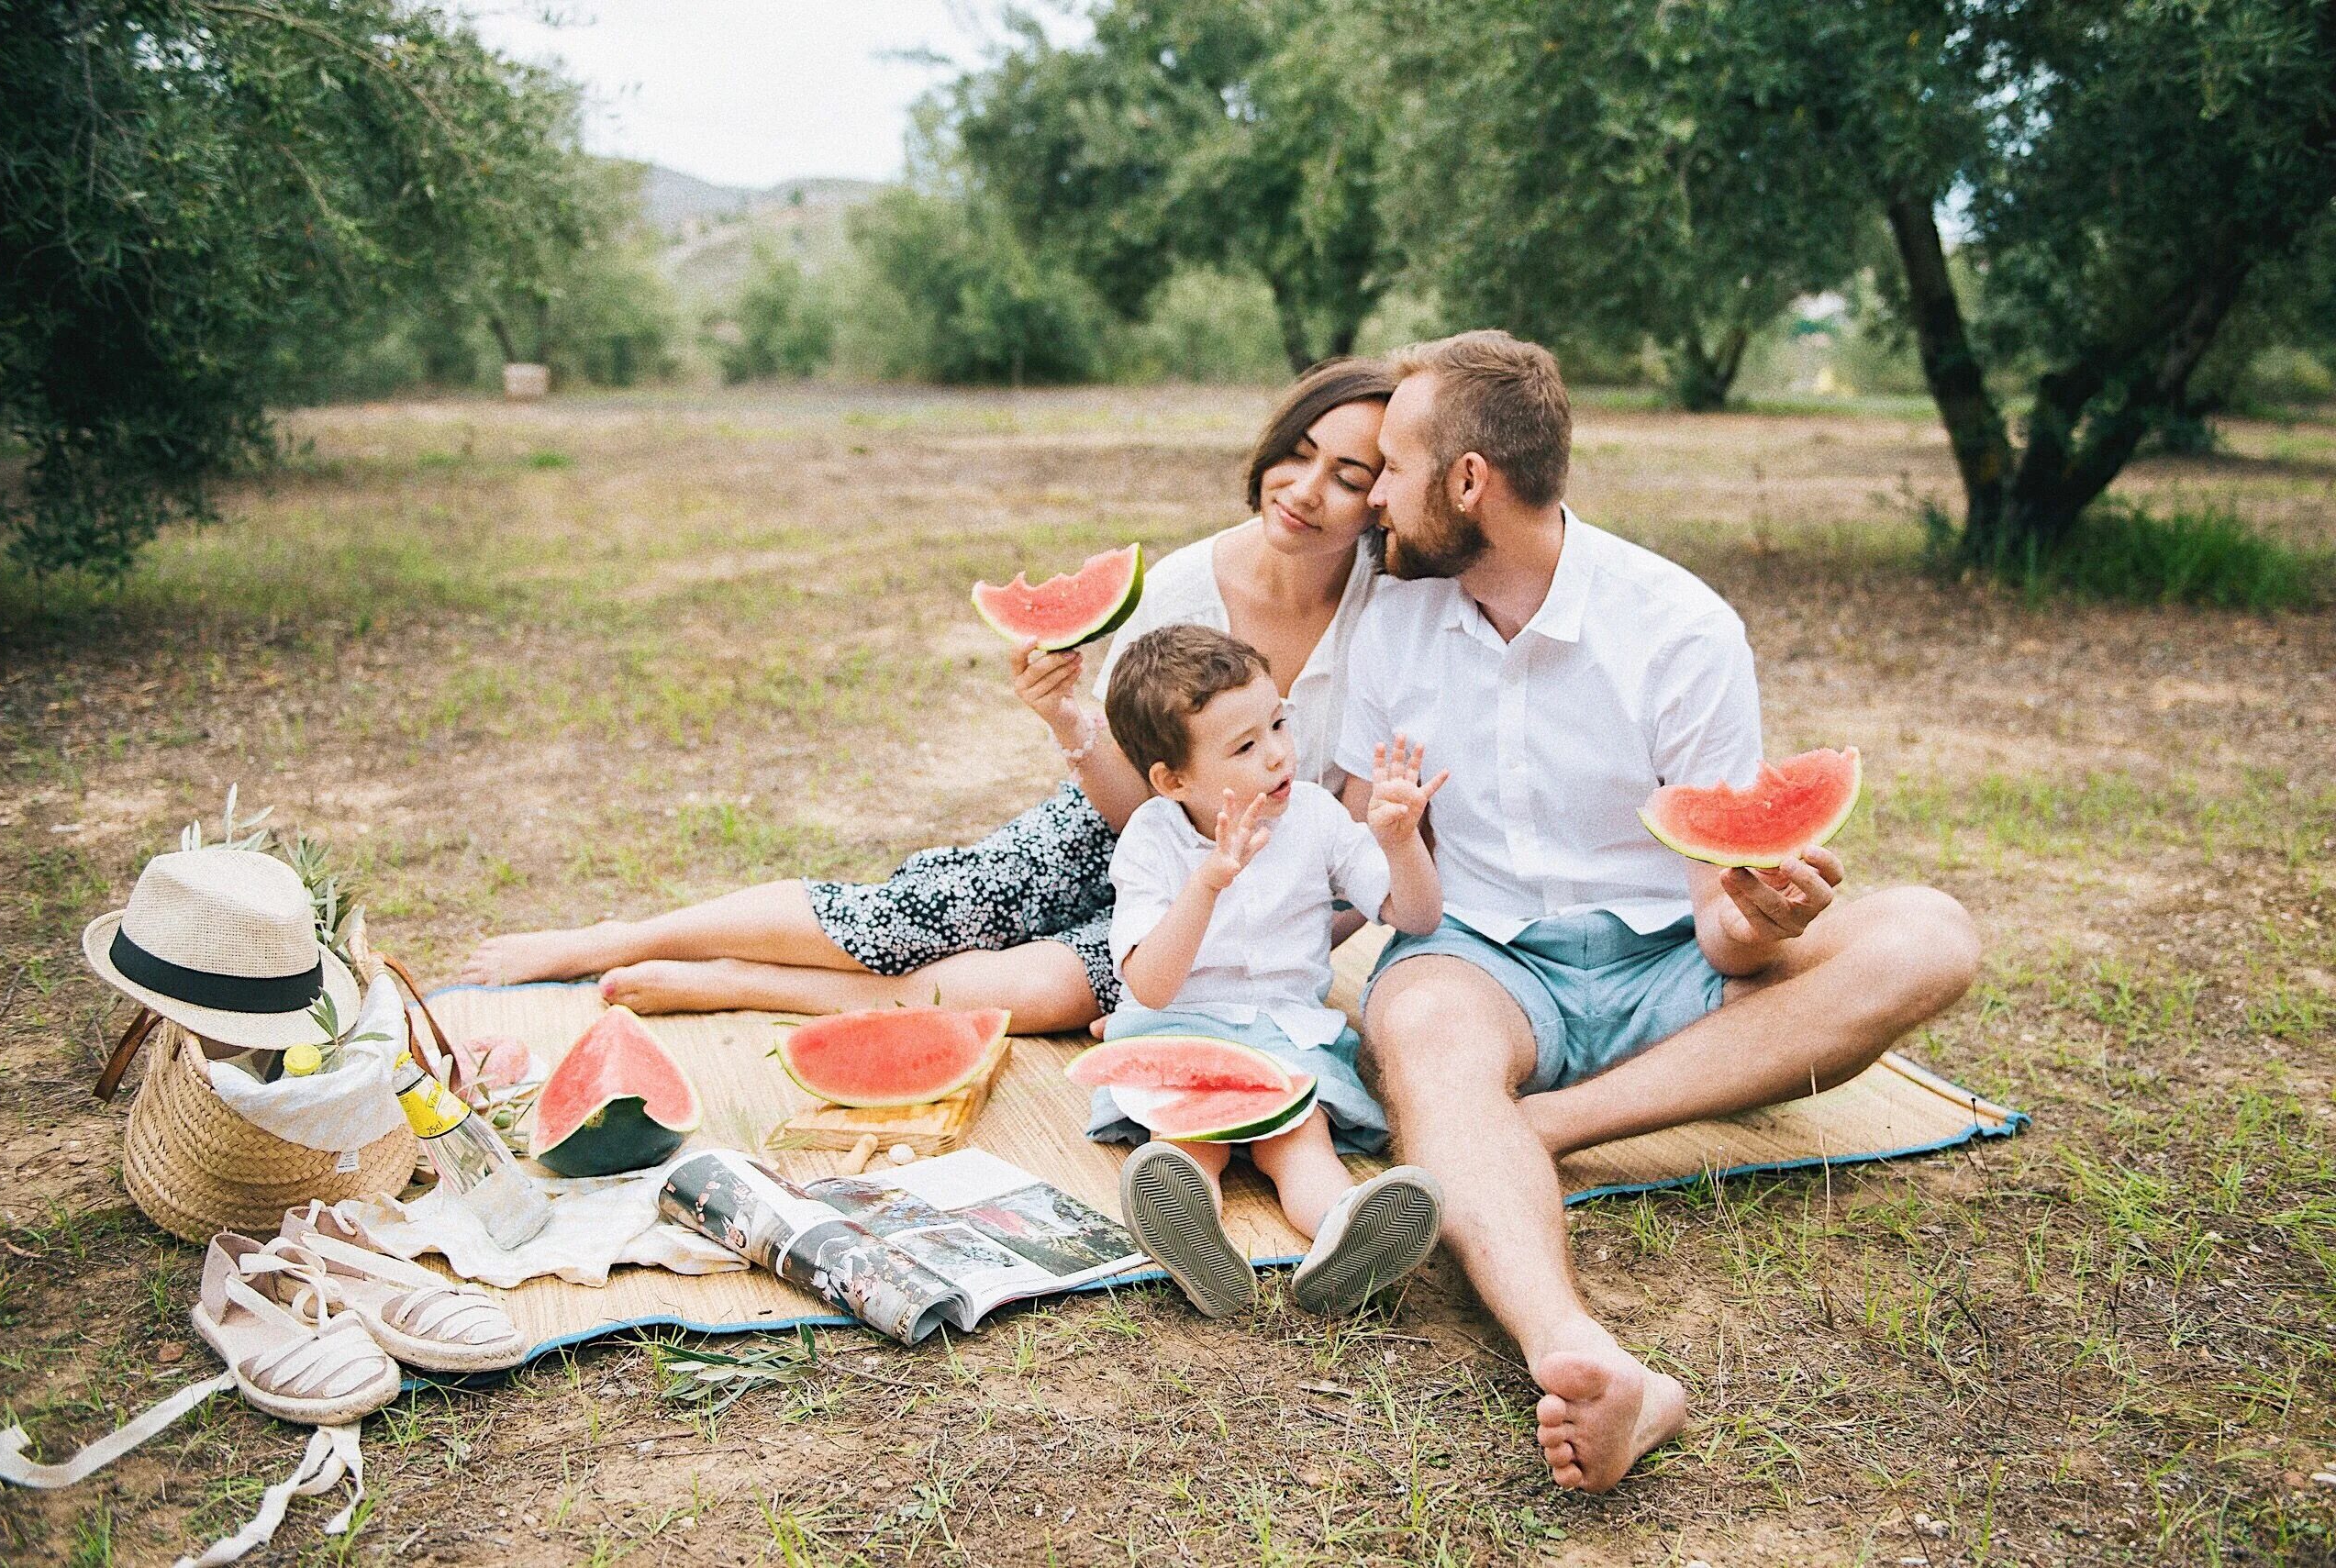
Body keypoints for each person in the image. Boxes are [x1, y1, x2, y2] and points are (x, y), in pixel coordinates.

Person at [1333, 330, 1983, 1492]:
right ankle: (1580, 1352)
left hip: (1672, 966)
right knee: (1423, 1032)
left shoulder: (1679, 628)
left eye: (1390, 464)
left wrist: (1761, 920)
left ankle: (1545, 1127)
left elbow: (1720, 922)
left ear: (1468, 480)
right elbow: (1376, 862)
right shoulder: (1388, 615)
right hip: (1481, 959)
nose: (1373, 493)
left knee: (1931, 931)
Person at [455, 359, 1399, 1032]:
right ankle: (613, 935)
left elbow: (1355, 856)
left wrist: (1274, 929)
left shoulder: (1388, 621)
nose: (1304, 489)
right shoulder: (1186, 585)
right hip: (1122, 827)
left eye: (1347, 475)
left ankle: (740, 982)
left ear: (1382, 498)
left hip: (1255, 894)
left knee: (1044, 997)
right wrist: (1070, 720)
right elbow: (1139, 796)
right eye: (1297, 452)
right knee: (898, 921)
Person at [1092, 625, 1445, 1318]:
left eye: (1279, 722)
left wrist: (1400, 843)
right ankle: (1193, 1237)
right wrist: (1208, 883)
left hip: (1286, 1031)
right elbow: (1152, 985)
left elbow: (1416, 913)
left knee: (1300, 1140)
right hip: (1181, 1026)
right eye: (1247, 746)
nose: (1280, 753)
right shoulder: (1151, 839)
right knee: (1188, 1139)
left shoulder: (1315, 815)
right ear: (1174, 779)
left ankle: (1347, 1233)